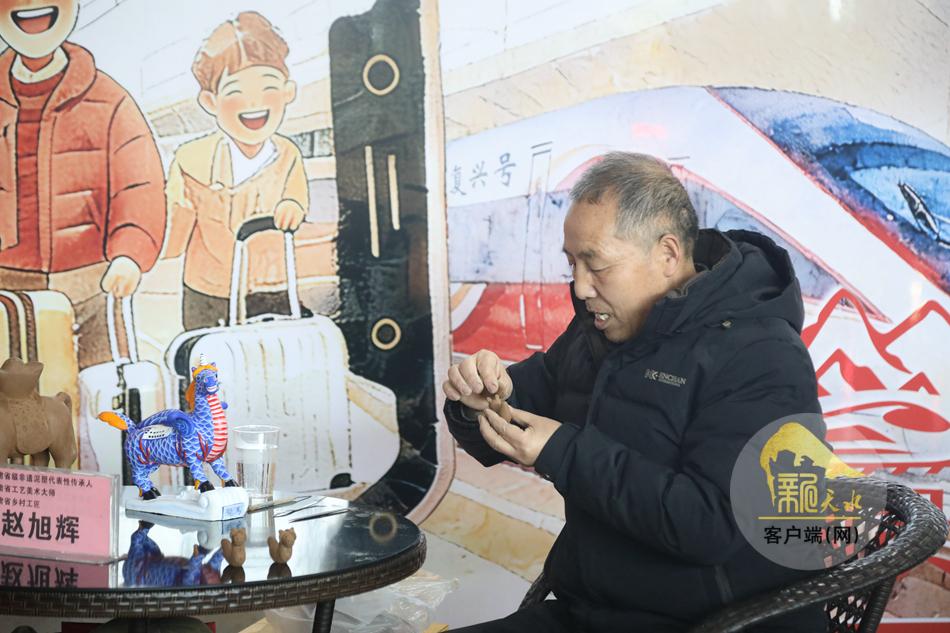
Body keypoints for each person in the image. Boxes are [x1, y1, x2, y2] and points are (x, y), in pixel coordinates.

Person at [443, 152, 825, 632]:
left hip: (711, 623)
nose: (581, 287)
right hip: (591, 611)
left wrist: (564, 451)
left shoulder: (763, 354)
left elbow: (714, 525)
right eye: (572, 264)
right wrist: (477, 399)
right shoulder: (598, 333)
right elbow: (515, 410)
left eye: (596, 265)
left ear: (667, 255)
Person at [0, 0, 166, 368]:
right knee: (12, 397)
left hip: (93, 285)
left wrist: (130, 253)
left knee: (103, 389)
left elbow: (139, 185)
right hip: (6, 290)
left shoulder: (109, 99)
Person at [163, 11, 322, 330]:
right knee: (208, 357)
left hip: (271, 284)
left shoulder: (287, 154)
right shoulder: (191, 161)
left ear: (288, 91)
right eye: (236, 91)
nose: (253, 103)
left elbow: (296, 199)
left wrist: (292, 207)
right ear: (210, 101)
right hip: (209, 291)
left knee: (268, 354)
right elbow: (174, 234)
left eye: (268, 87)